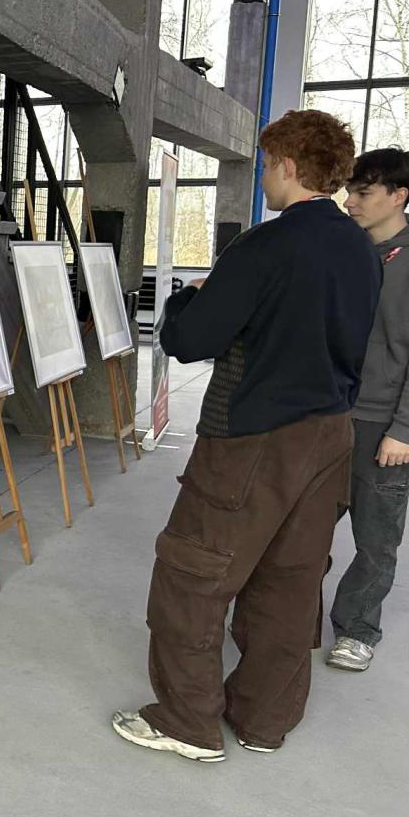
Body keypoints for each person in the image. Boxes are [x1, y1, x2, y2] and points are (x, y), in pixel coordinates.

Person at [112, 109, 380, 762]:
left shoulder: (266, 246)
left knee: (193, 573)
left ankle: (186, 722)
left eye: (265, 166)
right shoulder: (360, 248)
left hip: (253, 435)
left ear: (287, 165)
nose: (263, 178)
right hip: (330, 436)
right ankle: (264, 720)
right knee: (290, 581)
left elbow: (190, 338)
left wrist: (186, 298)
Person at [328, 148, 409, 671]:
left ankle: (357, 628)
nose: (350, 201)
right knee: (302, 526)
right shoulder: (346, 251)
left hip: (384, 424)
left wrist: (404, 429)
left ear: (399, 196)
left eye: (363, 192)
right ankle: (286, 614)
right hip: (327, 413)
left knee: (376, 540)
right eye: (349, 191)